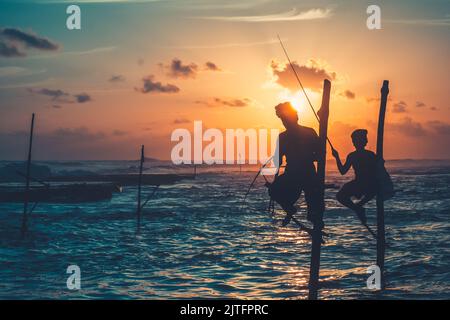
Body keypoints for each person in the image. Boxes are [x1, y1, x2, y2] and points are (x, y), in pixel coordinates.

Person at [267, 102, 322, 227]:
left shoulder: (290, 135)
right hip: (299, 174)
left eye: (285, 119)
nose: (284, 122)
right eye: (282, 119)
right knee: (273, 191)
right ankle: (291, 210)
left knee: (274, 191)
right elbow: (319, 155)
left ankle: (292, 211)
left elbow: (278, 161)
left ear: (294, 117)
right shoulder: (306, 132)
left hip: (303, 174)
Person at [331, 129, 377, 226]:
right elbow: (343, 171)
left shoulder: (362, 155)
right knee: (340, 196)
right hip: (362, 183)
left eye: (354, 141)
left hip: (366, 184)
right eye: (353, 141)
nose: (353, 143)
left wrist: (337, 157)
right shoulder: (366, 155)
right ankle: (358, 208)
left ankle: (358, 207)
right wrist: (337, 157)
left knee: (341, 196)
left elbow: (342, 171)